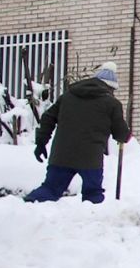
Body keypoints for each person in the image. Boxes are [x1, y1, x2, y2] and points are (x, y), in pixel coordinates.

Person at [24, 61, 131, 204]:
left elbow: (48, 118)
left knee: (50, 188)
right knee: (92, 194)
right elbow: (120, 134)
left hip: (62, 154)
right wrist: (126, 136)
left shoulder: (67, 97)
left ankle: (27, 208)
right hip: (90, 158)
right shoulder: (112, 103)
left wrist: (41, 142)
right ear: (110, 87)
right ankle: (92, 221)